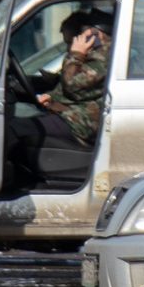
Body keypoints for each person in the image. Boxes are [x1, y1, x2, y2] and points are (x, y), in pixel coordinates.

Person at [7, 14, 112, 189]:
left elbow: (73, 85)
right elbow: (75, 89)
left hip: (81, 123)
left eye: (72, 40)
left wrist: (76, 54)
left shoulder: (103, 56)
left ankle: (8, 183)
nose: (71, 46)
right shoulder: (97, 55)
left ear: (95, 34)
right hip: (75, 115)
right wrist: (53, 98)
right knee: (17, 126)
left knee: (12, 129)